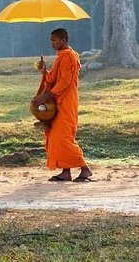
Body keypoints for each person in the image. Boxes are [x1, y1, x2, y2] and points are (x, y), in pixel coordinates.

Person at [32, 28, 92, 182]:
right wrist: (45, 71)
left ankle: (85, 168)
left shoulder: (69, 57)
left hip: (66, 101)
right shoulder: (61, 56)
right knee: (56, 136)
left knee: (63, 138)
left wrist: (45, 96)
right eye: (51, 40)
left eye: (54, 40)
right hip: (58, 102)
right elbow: (53, 79)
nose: (52, 43)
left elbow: (65, 82)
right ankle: (66, 172)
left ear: (63, 40)